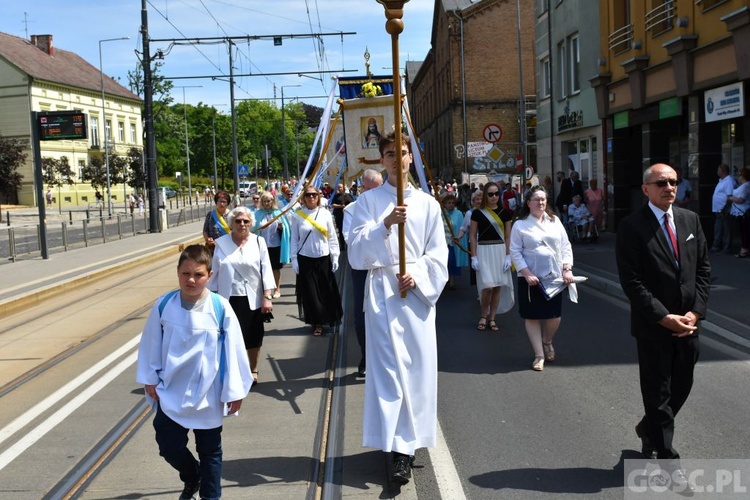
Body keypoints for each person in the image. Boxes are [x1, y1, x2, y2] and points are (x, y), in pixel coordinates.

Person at [348, 131, 448, 484]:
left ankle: (409, 443)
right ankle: (395, 449)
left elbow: (438, 254)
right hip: (381, 297)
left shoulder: (428, 204)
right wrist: (386, 224)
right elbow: (356, 253)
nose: (396, 158)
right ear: (382, 159)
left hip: (415, 298)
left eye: (402, 152)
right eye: (389, 153)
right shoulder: (368, 202)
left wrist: (417, 275)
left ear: (410, 157)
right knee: (388, 374)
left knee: (417, 373)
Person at [616, 163, 710, 485]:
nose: (669, 187)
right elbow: (632, 282)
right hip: (653, 326)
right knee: (658, 393)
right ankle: (669, 463)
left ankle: (647, 428)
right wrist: (663, 317)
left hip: (688, 324)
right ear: (646, 189)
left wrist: (695, 313)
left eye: (673, 182)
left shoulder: (690, 220)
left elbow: (702, 272)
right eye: (661, 183)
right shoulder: (631, 226)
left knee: (681, 387)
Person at [136, 244, 253, 500]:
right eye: (185, 273)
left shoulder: (220, 308)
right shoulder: (164, 305)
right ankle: (192, 475)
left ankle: (210, 497)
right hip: (171, 390)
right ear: (177, 272)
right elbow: (151, 343)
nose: (191, 280)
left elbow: (234, 351)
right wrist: (149, 378)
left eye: (198, 274)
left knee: (210, 451)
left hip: (208, 393)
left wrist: (234, 390)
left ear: (209, 276)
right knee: (168, 445)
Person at [209, 206, 276, 385]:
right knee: (228, 337)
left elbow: (266, 269)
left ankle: (253, 368)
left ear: (251, 224)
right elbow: (214, 273)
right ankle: (233, 371)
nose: (242, 224)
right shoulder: (221, 243)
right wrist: (208, 298)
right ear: (231, 223)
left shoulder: (258, 242)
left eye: (246, 221)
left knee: (253, 335)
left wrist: (267, 296)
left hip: (253, 297)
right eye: (238, 221)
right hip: (227, 298)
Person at [510, 185, 574, 371]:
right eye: (537, 199)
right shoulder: (520, 225)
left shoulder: (555, 221)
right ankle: (539, 355)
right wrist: (526, 273)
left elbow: (565, 245)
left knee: (554, 317)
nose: (541, 202)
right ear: (528, 203)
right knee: (532, 317)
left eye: (543, 199)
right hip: (530, 279)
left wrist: (567, 268)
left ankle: (547, 341)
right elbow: (515, 251)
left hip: (553, 277)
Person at [343, 168, 384, 377]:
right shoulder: (351, 209)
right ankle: (366, 356)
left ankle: (384, 358)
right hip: (363, 268)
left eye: (375, 189)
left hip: (386, 267)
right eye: (367, 189)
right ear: (361, 189)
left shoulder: (388, 205)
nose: (370, 194)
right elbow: (352, 239)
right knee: (361, 316)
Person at [290, 185, 343, 336]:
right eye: (308, 195)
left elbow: (332, 237)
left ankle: (330, 318)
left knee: (327, 290)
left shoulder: (325, 214)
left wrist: (335, 256)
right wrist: (294, 259)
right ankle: (317, 323)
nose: (311, 197)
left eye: (314, 195)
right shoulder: (297, 216)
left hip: (323, 257)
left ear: (318, 197)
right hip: (305, 258)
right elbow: (294, 239)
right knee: (311, 293)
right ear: (303, 197)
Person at [470, 182, 514, 331]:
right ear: (485, 196)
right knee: (487, 286)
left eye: (496, 194)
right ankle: (483, 315)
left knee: (497, 287)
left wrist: (508, 256)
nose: (494, 197)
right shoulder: (477, 213)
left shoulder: (505, 213)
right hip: (484, 251)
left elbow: (508, 236)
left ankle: (492, 318)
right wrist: (474, 256)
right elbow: (472, 236)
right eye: (490, 194)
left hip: (500, 250)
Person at [253, 192, 291, 298]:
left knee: (275, 268)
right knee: (262, 269)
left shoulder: (278, 212)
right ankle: (266, 290)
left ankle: (277, 289)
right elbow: (253, 228)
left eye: (269, 201)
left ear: (272, 201)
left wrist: (281, 228)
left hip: (275, 244)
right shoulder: (257, 213)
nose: (266, 203)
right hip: (261, 245)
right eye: (264, 201)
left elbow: (287, 229)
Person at [442, 193, 467, 291]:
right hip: (442, 242)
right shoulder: (440, 213)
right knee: (443, 262)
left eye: (453, 203)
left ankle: (452, 281)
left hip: (453, 243)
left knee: (452, 260)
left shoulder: (459, 214)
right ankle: (444, 279)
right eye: (449, 203)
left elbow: (461, 227)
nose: (451, 204)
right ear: (444, 204)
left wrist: (458, 238)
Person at [710, 163, 736, 253]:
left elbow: (730, 196)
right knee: (719, 228)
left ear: (723, 171)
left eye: (718, 170)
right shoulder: (722, 180)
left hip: (724, 210)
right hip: (718, 209)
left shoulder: (729, 181)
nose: (717, 172)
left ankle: (727, 247)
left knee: (726, 229)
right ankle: (717, 245)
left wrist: (725, 209)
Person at [729, 166, 750, 258]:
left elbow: (741, 199)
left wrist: (731, 198)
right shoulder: (744, 185)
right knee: (743, 231)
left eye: (740, 175)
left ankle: (744, 250)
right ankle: (745, 249)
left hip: (743, 212)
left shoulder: (746, 186)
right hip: (741, 212)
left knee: (744, 231)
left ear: (743, 176)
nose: (739, 177)